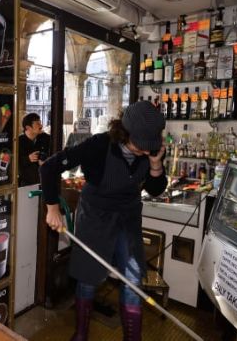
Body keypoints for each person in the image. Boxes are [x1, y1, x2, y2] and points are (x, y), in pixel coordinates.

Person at [39, 101, 167, 341]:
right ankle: (81, 334)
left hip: (128, 218)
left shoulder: (151, 149)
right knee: (88, 278)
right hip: (95, 217)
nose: (147, 150)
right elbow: (49, 167)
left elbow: (156, 188)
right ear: (126, 132)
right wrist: (52, 208)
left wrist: (156, 165)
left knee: (133, 281)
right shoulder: (98, 145)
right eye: (142, 145)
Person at [18, 113, 51, 186]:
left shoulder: (46, 138)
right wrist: (28, 159)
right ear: (28, 127)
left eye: (40, 123)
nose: (41, 126)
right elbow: (14, 163)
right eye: (37, 124)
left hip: (45, 181)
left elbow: (54, 153)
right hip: (26, 184)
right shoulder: (18, 142)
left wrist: (46, 161)